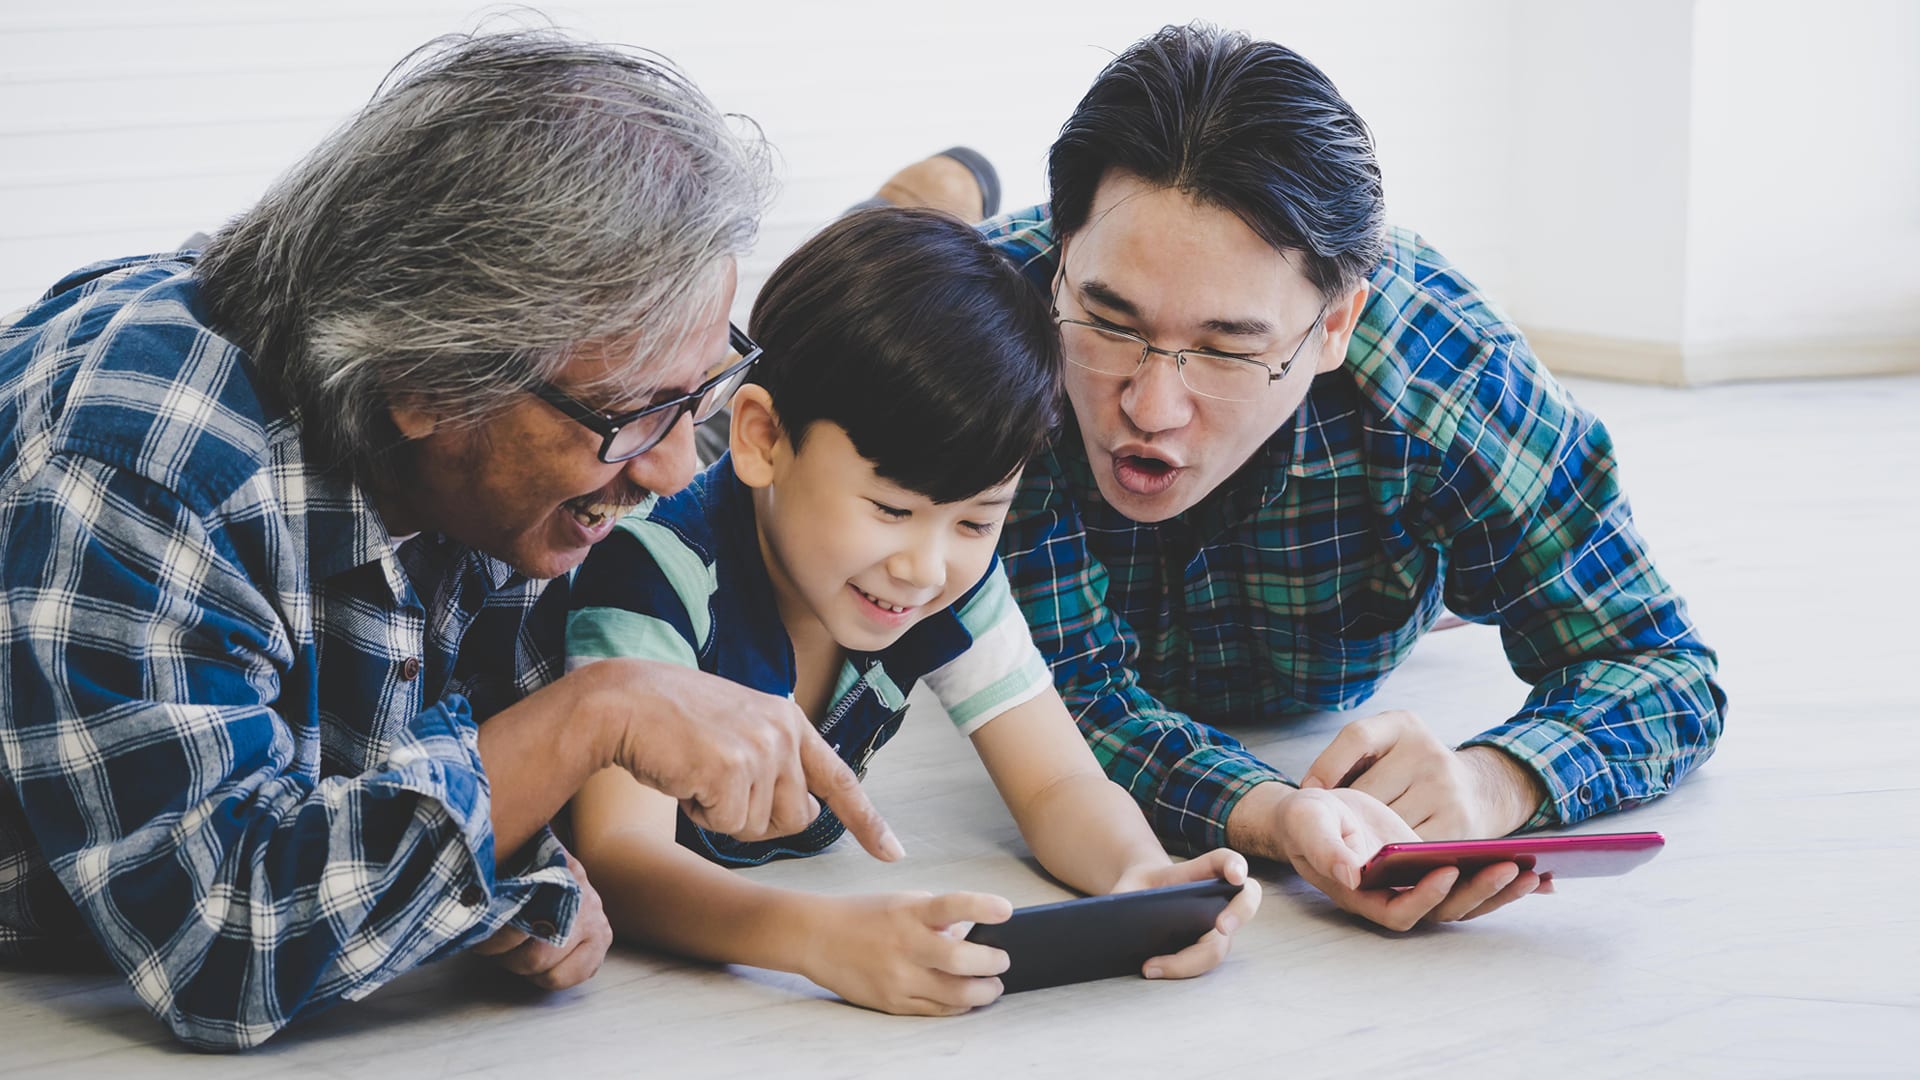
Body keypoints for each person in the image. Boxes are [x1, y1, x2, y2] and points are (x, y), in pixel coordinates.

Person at [0, 30, 899, 1051]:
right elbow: (217, 943)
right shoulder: (149, 473)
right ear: (428, 382)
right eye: (630, 415)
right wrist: (589, 717)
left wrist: (514, 863)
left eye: (692, 397)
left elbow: (415, 760)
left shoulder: (500, 463)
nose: (670, 471)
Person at [970, 24, 1727, 931]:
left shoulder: (1452, 379)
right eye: (1110, 320)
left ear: (1335, 326)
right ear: (1061, 258)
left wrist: (1499, 780)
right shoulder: (990, 336)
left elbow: (1660, 664)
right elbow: (1071, 700)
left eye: (1228, 347)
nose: (1152, 406)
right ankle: (934, 196)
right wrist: (1278, 817)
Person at [563, 207, 1262, 1016]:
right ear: (759, 437)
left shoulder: (951, 577)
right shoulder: (652, 571)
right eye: (891, 509)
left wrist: (1138, 879)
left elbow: (1058, 782)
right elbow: (619, 856)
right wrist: (818, 940)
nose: (924, 567)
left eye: (975, 519)